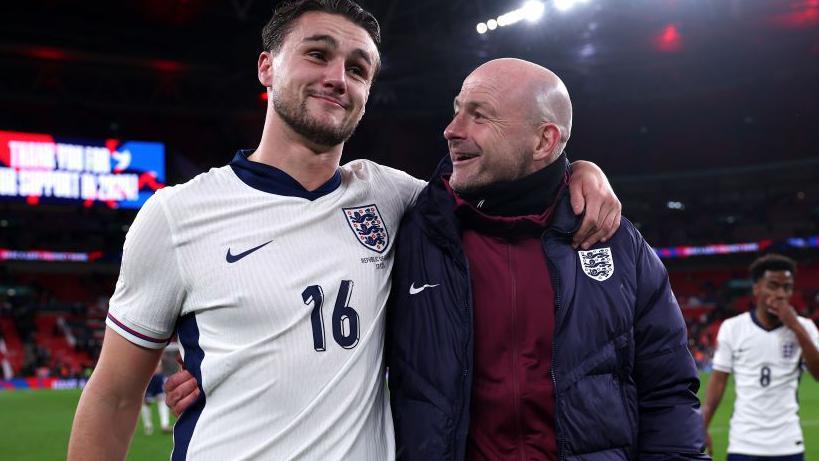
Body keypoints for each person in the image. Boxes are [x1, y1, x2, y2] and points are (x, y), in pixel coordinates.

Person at [68, 1, 620, 460]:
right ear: (267, 67)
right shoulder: (176, 216)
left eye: (358, 69)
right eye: (317, 54)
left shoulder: (392, 197)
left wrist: (580, 170)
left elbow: (509, 176)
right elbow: (115, 397)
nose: (338, 77)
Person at [386, 59, 709, 459]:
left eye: (479, 115)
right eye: (456, 111)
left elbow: (668, 392)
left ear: (543, 142)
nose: (451, 130)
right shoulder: (409, 230)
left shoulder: (618, 244)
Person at [703, 254, 819, 460]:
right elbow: (718, 381)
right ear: (756, 288)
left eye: (787, 287)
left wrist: (795, 326)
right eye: (773, 286)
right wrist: (702, 425)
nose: (781, 294)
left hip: (788, 444)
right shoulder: (733, 328)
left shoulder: (805, 328)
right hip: (744, 444)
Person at [140, 362, 171, 435]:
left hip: (157, 385)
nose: (158, 368)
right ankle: (148, 426)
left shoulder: (161, 377)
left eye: (159, 367)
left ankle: (165, 425)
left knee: (163, 401)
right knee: (145, 404)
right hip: (148, 384)